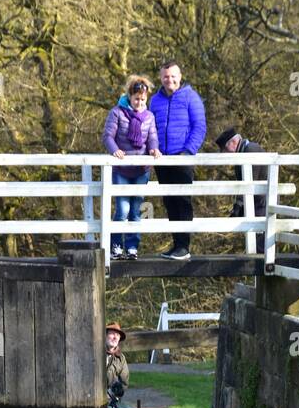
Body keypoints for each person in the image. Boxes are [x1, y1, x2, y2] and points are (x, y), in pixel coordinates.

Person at [150, 61, 207, 260]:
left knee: (183, 201)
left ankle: (184, 246)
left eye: (173, 76)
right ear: (161, 78)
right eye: (166, 76)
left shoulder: (191, 97)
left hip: (182, 157)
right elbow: (150, 127)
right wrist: (153, 148)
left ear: (180, 76)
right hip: (162, 159)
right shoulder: (155, 100)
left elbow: (199, 126)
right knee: (169, 201)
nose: (170, 80)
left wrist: (188, 151)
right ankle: (176, 245)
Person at [102, 76, 161, 260]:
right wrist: (115, 150)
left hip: (141, 169)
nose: (140, 103)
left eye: (143, 99)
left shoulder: (149, 116)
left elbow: (152, 137)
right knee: (122, 210)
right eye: (137, 99)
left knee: (136, 210)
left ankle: (132, 246)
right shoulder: (117, 112)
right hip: (122, 169)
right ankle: (116, 246)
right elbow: (108, 136)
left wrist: (154, 148)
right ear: (130, 96)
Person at [215, 126, 266, 253]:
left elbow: (248, 183)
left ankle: (260, 269)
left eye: (225, 150)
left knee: (260, 245)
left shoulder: (250, 151)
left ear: (233, 143)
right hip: (257, 203)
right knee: (254, 241)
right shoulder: (244, 151)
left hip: (262, 204)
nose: (225, 154)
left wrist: (238, 208)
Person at [106, 321, 130, 402]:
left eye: (117, 335)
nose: (115, 337)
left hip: (112, 400)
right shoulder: (94, 354)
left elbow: (124, 382)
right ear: (104, 335)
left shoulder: (121, 359)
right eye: (112, 334)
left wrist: (114, 393)